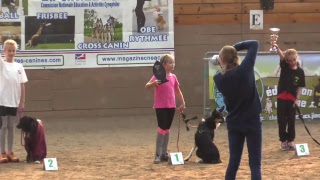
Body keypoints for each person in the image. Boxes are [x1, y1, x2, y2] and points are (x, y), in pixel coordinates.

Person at [213, 40, 262, 180]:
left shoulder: (219, 78)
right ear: (235, 57)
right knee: (255, 164)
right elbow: (254, 44)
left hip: (234, 123)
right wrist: (234, 48)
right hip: (252, 120)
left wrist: (223, 57)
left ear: (221, 60)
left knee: (234, 162)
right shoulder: (245, 69)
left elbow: (221, 70)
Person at [145, 54, 185, 164]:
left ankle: (164, 154)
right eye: (170, 62)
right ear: (163, 64)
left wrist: (182, 102)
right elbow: (147, 86)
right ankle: (157, 154)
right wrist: (153, 83)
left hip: (171, 106)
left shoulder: (174, 77)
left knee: (167, 129)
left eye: (173, 62)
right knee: (162, 128)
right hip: (160, 106)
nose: (173, 64)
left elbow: (177, 90)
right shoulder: (158, 76)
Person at [0, 39, 28, 163]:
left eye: (13, 50)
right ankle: (2, 152)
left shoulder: (19, 66)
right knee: (3, 126)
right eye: (9, 50)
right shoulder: (1, 64)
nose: (11, 53)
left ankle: (10, 151)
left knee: (11, 127)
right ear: (4, 51)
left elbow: (22, 85)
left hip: (14, 102)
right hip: (2, 101)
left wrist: (21, 102)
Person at [273, 44, 305, 151]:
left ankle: (290, 141)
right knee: (282, 120)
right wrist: (277, 48)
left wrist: (297, 99)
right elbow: (281, 56)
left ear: (297, 58)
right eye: (289, 60)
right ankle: (283, 141)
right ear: (286, 61)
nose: (292, 62)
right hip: (282, 98)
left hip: (292, 99)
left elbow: (300, 87)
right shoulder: (285, 67)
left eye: (294, 59)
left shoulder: (300, 72)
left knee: (291, 120)